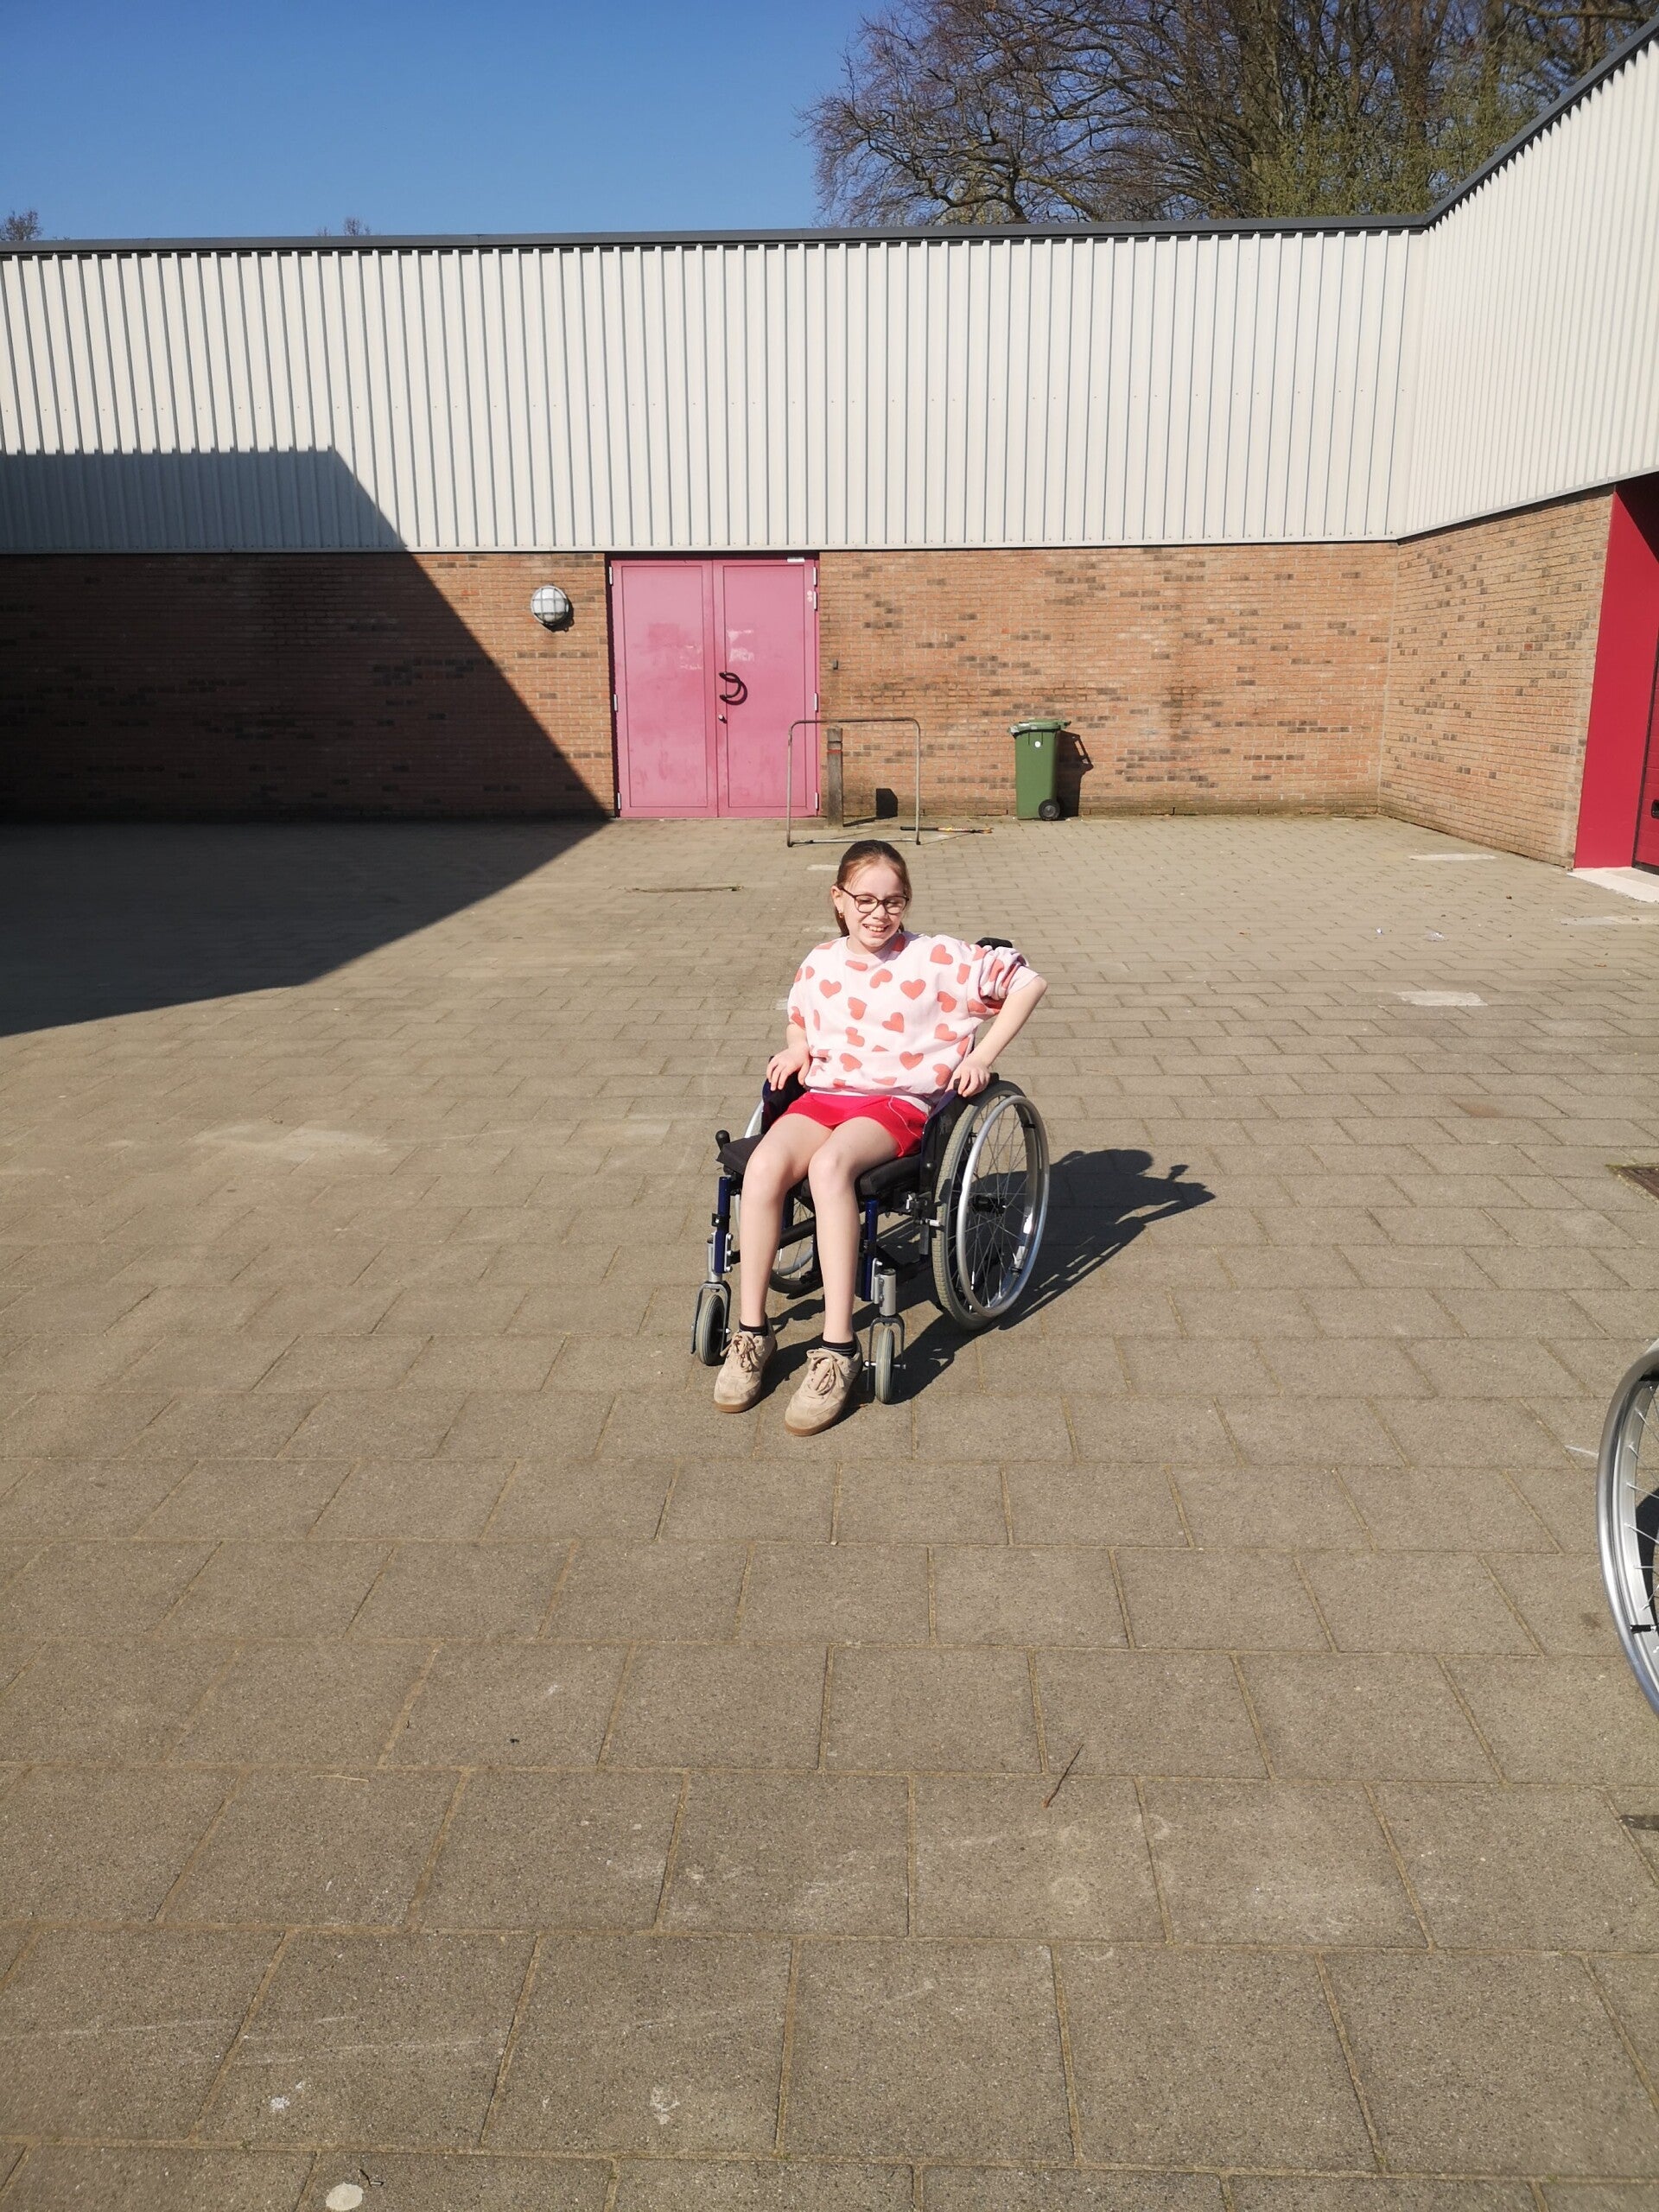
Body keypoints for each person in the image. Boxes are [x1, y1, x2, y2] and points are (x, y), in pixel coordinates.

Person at [714, 837, 1047, 1435]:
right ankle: (753, 1332)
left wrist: (983, 1057)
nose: (879, 914)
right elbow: (799, 1017)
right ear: (838, 899)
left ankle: (837, 1349)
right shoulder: (821, 961)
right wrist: (798, 1048)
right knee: (762, 1167)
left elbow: (1028, 983)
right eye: (864, 900)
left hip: (896, 1102)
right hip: (825, 1095)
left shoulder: (934, 958)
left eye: (893, 902)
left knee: (830, 1168)